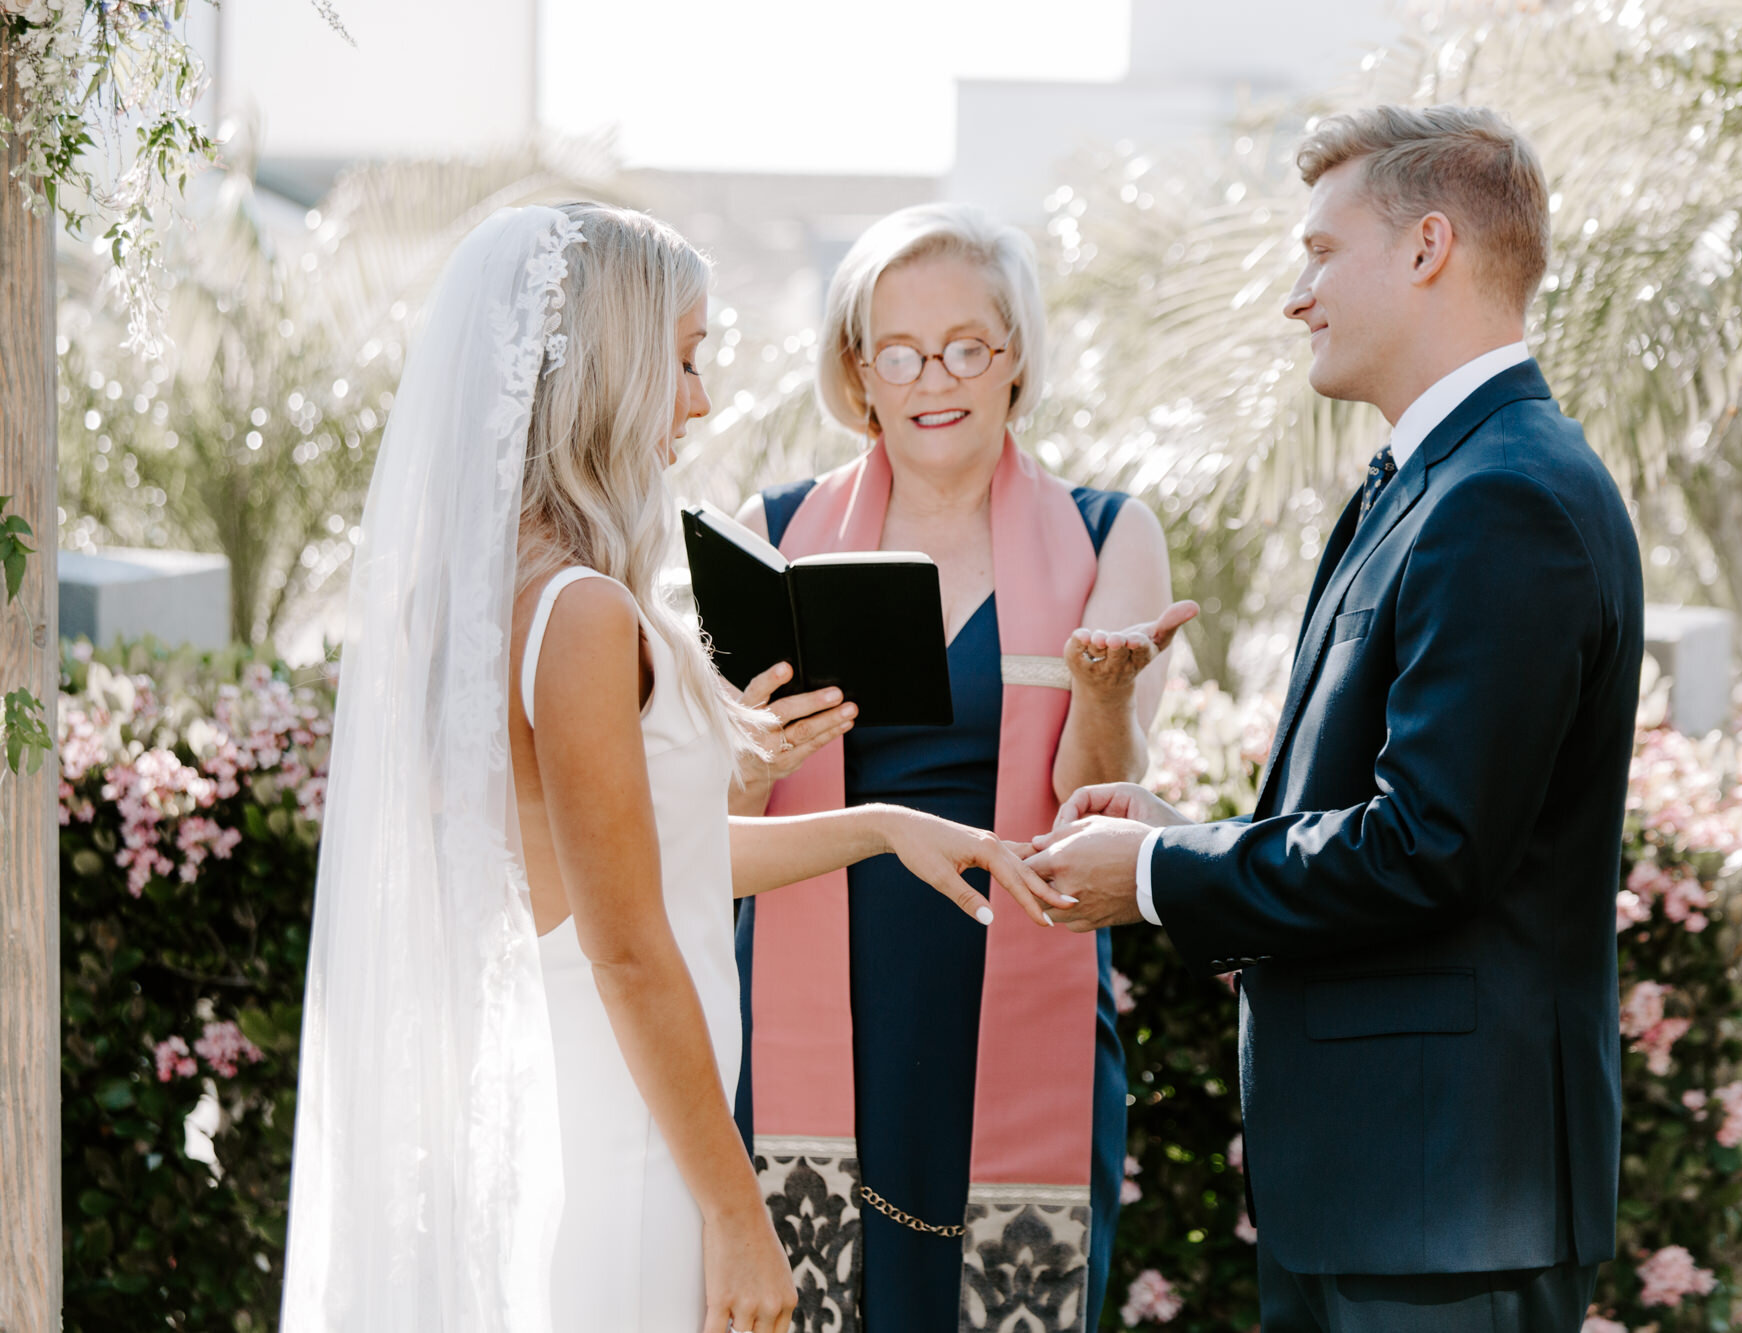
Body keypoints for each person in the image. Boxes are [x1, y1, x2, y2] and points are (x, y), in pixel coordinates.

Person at [280, 203, 1062, 1333]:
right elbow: (634, 947)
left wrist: (880, 822)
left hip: (570, 1097)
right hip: (626, 1130)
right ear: (610, 369)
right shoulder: (584, 613)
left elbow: (655, 868)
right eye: (684, 360)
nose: (698, 398)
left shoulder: (479, 596)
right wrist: (737, 1211)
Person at [1029, 106, 1645, 1333]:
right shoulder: (1430, 483)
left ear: (1426, 247)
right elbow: (1378, 813)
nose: (1292, 295)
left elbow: (1429, 849)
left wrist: (1156, 873)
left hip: (1442, 1208)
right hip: (1381, 1195)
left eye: (1318, 251)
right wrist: (1184, 832)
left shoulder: (1503, 496)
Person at [728, 202, 1196, 1332]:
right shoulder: (771, 535)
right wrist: (750, 755)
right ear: (859, 368)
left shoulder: (1107, 535)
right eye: (899, 349)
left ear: (1014, 356)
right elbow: (714, 827)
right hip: (808, 1010)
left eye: (966, 345)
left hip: (1013, 1000)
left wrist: (1101, 691)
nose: (933, 376)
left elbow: (1092, 801)